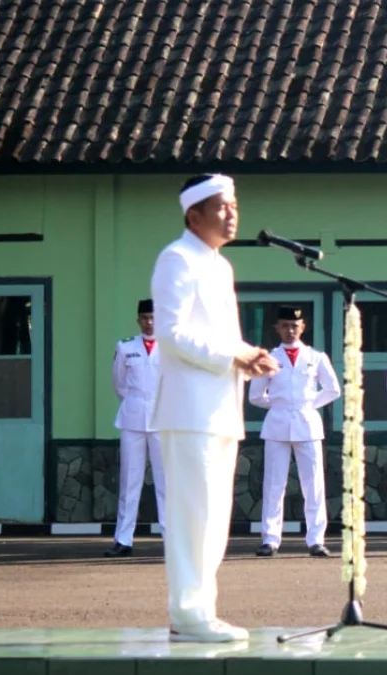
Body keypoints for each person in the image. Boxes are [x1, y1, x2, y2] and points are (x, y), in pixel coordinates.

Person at [150, 174, 279, 642]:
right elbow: (172, 333)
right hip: (188, 411)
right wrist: (233, 356)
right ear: (194, 215)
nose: (232, 214)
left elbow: (221, 337)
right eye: (221, 207)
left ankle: (201, 610)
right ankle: (187, 614)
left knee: (214, 517)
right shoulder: (177, 259)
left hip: (221, 407)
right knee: (192, 516)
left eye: (235, 205)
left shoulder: (219, 266)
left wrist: (249, 357)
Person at [249, 306, 341, 558]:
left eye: (294, 326)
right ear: (277, 328)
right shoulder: (268, 358)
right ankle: (270, 538)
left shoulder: (316, 357)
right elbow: (256, 395)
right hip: (277, 424)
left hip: (307, 423)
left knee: (313, 485)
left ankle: (316, 539)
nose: (290, 330)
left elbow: (332, 389)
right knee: (273, 484)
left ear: (303, 328)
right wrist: (279, 404)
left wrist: (309, 404)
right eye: (285, 326)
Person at [105, 298, 167, 558]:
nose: (149, 322)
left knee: (167, 482)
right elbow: (119, 384)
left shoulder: (171, 348)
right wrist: (136, 402)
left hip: (163, 418)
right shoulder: (126, 346)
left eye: (153, 318)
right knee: (130, 480)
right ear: (138, 320)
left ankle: (171, 540)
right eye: (145, 318)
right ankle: (124, 539)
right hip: (133, 418)